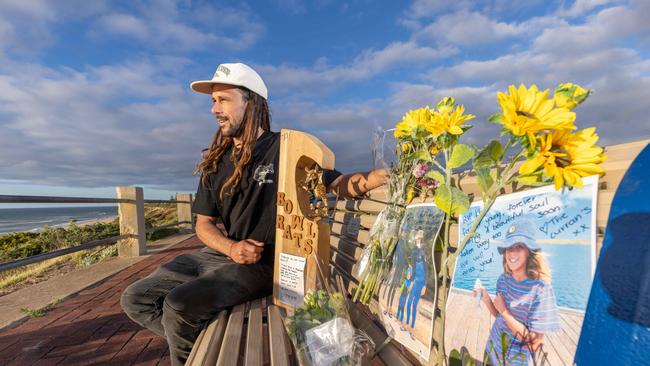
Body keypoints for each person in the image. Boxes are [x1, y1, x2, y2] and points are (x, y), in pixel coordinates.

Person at [120, 62, 389, 365]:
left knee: (179, 306)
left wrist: (371, 179)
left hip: (264, 263)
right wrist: (230, 247)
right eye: (213, 101)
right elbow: (204, 224)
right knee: (136, 298)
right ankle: (202, 344)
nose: (214, 109)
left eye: (223, 99)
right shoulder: (216, 161)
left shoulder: (284, 148)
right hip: (222, 254)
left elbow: (335, 183)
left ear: (252, 102)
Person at [474, 219, 560, 366]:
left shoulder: (541, 289)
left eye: (519, 247)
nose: (512, 253)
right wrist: (487, 299)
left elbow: (534, 344)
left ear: (529, 252)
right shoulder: (503, 280)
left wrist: (505, 311)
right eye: (508, 247)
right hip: (492, 349)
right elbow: (499, 317)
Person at [405, 229, 428, 335]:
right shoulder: (414, 253)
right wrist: (409, 280)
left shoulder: (424, 254)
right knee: (409, 302)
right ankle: (407, 323)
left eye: (420, 239)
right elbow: (413, 270)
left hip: (421, 282)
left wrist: (425, 285)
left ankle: (412, 327)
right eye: (417, 239)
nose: (419, 241)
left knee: (414, 304)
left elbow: (426, 270)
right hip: (415, 281)